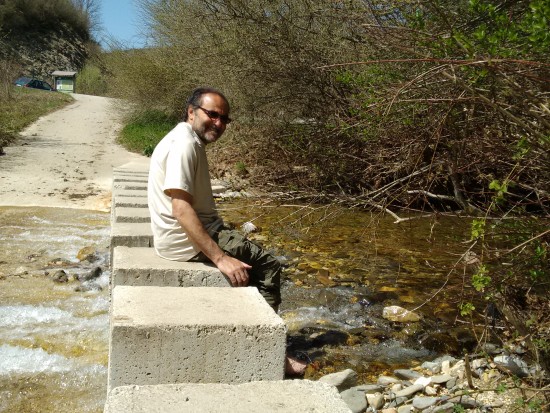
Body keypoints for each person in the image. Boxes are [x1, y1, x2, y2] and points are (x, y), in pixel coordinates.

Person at [147, 87, 306, 376]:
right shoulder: (184, 145)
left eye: (224, 119)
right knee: (268, 266)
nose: (218, 123)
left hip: (183, 236)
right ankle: (268, 353)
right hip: (183, 241)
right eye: (212, 114)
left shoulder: (186, 139)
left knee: (249, 256)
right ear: (191, 111)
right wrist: (220, 258)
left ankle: (253, 334)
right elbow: (181, 210)